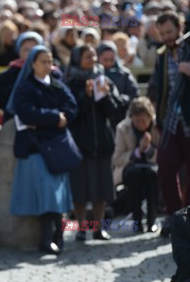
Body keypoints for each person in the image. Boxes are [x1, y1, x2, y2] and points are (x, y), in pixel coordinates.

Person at [7, 46, 77, 254]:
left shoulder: (57, 84)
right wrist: (55, 118)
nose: (48, 65)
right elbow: (26, 112)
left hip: (56, 146)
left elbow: (72, 107)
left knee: (56, 197)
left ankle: (57, 236)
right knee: (47, 196)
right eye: (43, 61)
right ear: (33, 64)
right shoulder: (26, 87)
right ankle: (48, 239)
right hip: (36, 148)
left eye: (50, 61)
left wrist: (47, 119)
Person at [65, 45, 124, 241]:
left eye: (92, 55)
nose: (91, 59)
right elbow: (71, 114)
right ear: (77, 59)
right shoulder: (71, 83)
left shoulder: (103, 79)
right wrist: (87, 98)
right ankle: (81, 228)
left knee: (101, 188)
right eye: (86, 56)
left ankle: (98, 228)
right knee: (80, 189)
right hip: (80, 143)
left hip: (102, 142)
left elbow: (113, 109)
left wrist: (104, 95)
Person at [149, 11, 190, 236]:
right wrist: (157, 121)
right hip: (170, 121)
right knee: (165, 168)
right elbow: (158, 88)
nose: (166, 37)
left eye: (170, 32)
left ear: (179, 27)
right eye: (162, 33)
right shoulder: (162, 55)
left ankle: (187, 217)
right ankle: (174, 217)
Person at [112, 97, 159, 233]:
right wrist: (137, 151)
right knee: (135, 175)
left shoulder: (157, 127)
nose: (140, 124)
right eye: (137, 121)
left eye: (144, 121)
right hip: (130, 168)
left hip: (152, 167)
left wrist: (149, 149)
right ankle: (137, 221)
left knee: (152, 175)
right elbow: (117, 159)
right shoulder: (122, 128)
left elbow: (163, 155)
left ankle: (152, 220)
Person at [0, 31, 43, 122]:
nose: (30, 54)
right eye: (26, 50)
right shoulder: (7, 75)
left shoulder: (51, 73)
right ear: (19, 51)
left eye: (34, 50)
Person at [96, 41, 139, 129]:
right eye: (105, 60)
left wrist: (121, 99)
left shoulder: (124, 73)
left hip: (121, 116)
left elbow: (134, 93)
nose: (108, 63)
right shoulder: (94, 74)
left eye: (111, 60)